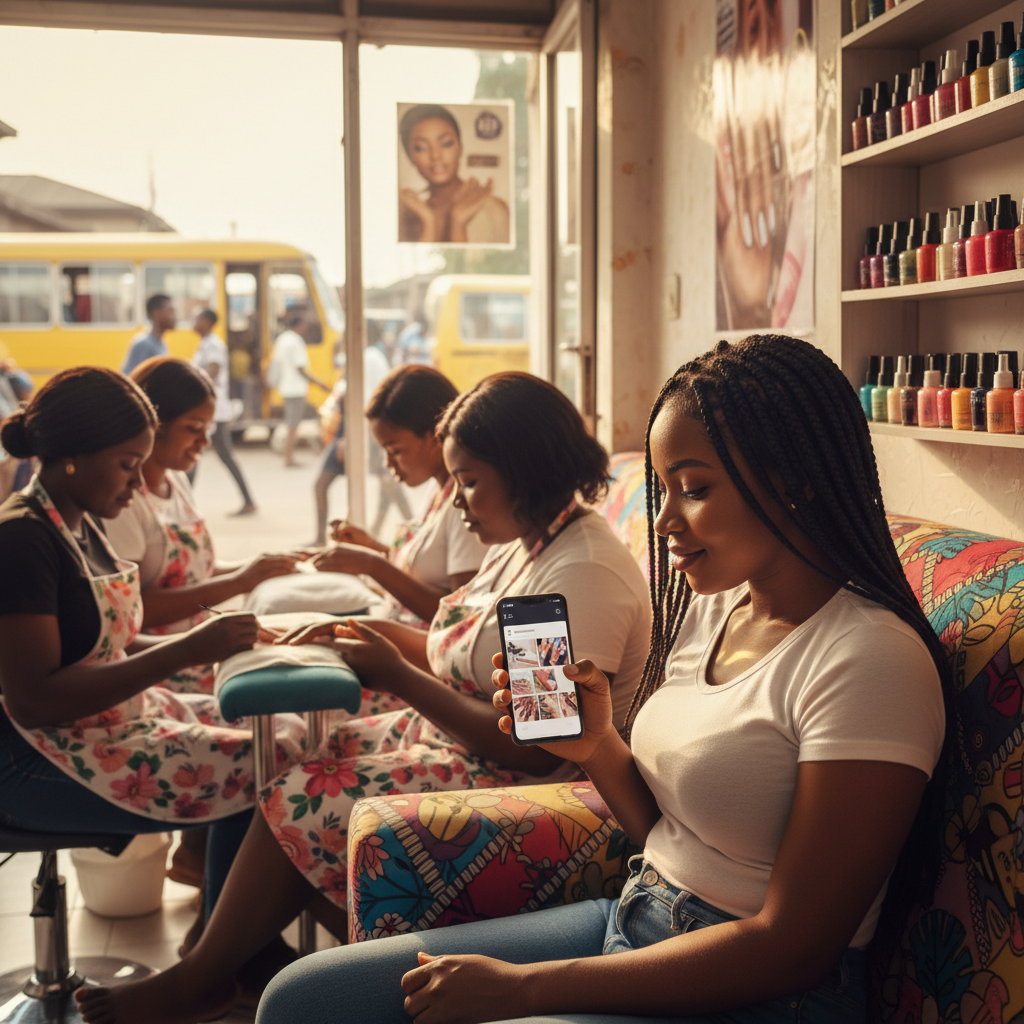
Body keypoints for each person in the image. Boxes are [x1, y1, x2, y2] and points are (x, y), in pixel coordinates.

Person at [245, 335, 951, 1024]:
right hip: (641, 914)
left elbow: (793, 949)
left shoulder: (869, 660)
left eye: (695, 489)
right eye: (663, 489)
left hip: (758, 991)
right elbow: (669, 836)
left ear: (793, 483)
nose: (667, 521)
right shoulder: (712, 611)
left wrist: (525, 990)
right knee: (300, 999)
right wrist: (598, 744)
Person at [76, 371, 653, 1024]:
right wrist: (369, 634)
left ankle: (206, 976)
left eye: (467, 480)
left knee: (311, 788)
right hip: (468, 741)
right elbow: (454, 644)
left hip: (535, 778)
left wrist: (398, 674)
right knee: (304, 755)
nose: (456, 500)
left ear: (522, 469)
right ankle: (243, 961)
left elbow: (527, 747)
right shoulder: (528, 544)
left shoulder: (577, 574)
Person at [0, 367, 305, 930]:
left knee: (278, 728)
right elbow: (35, 699)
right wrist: (182, 652)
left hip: (101, 725)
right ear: (73, 455)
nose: (137, 482)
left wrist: (205, 643)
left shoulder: (78, 522)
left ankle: (217, 939)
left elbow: (102, 642)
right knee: (266, 764)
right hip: (34, 757)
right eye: (126, 465)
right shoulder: (22, 538)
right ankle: (222, 960)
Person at [102, 357, 300, 694]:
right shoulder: (122, 502)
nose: (205, 442)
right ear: (153, 424)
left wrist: (262, 569)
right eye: (194, 429)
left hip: (198, 644)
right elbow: (132, 609)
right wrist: (240, 582)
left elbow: (194, 575)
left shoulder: (177, 482)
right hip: (158, 662)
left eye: (208, 430)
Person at [308, 365, 488, 625]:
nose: (388, 464)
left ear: (436, 436)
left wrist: (373, 565)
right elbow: (427, 572)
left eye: (396, 450)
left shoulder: (466, 507)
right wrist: (373, 549)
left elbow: (458, 620)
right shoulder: (438, 489)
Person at [398, 103, 511, 245]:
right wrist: (428, 221)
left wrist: (457, 221)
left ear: (460, 148)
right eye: (421, 148)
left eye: (446, 143)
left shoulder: (494, 209)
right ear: (410, 156)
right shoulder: (406, 216)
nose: (435, 155)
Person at [191, 308, 257, 516]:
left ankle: (185, 506)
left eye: (197, 318)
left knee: (196, 453)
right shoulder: (204, 344)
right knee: (200, 454)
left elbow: (213, 370)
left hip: (214, 411)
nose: (194, 322)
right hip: (211, 410)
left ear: (207, 321)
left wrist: (189, 386)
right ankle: (248, 500)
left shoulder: (213, 344)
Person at [268, 308, 331, 467]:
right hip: (295, 388)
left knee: (292, 423)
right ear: (299, 325)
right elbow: (300, 368)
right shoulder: (295, 341)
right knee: (293, 425)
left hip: (286, 387)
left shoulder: (282, 339)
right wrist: (320, 383)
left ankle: (288, 456)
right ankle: (289, 458)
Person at [122, 293, 175, 374]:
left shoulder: (161, 343)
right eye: (170, 311)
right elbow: (131, 377)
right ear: (156, 313)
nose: (174, 316)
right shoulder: (144, 344)